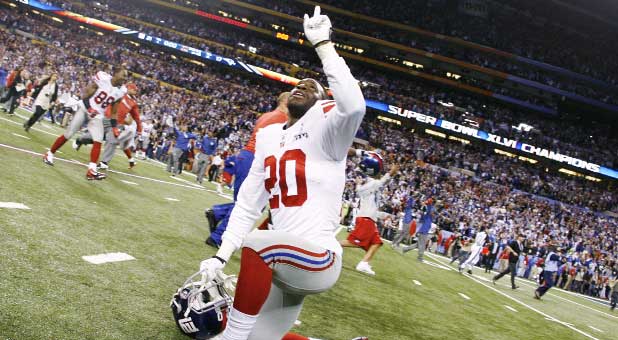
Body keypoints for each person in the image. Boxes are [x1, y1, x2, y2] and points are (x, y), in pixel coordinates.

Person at [198, 7, 366, 339]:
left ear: (322, 103)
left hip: (317, 258)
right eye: (299, 84)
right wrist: (220, 256)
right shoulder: (269, 136)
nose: (304, 85)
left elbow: (355, 105)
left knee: (258, 245)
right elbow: (248, 204)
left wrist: (323, 45)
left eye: (313, 87)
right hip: (284, 260)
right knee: (258, 337)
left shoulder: (329, 128)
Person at [205, 92, 289, 248]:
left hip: (248, 156)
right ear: (285, 101)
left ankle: (218, 213)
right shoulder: (283, 119)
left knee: (248, 203)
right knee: (247, 205)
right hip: (255, 159)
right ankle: (219, 237)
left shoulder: (267, 115)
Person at [43, 67, 128, 180]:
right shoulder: (103, 78)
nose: (125, 78)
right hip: (85, 109)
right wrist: (89, 108)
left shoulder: (121, 91)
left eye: (126, 76)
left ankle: (91, 170)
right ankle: (49, 154)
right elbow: (86, 93)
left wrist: (114, 127)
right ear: (116, 73)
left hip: (98, 115)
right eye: (123, 75)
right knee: (69, 134)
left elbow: (114, 111)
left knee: (98, 140)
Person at [340, 151, 398, 276]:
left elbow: (373, 207)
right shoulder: (371, 183)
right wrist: (391, 172)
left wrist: (383, 216)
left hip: (368, 219)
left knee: (377, 243)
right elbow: (382, 181)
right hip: (366, 219)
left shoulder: (369, 184)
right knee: (353, 242)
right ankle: (330, 247)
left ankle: (364, 264)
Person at [401, 197, 435, 262]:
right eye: (432, 213)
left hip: (424, 230)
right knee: (422, 245)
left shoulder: (426, 215)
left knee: (418, 244)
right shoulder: (427, 215)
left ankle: (405, 249)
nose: (433, 214)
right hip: (424, 231)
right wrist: (428, 204)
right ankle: (420, 257)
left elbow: (428, 211)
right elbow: (429, 209)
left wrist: (426, 205)